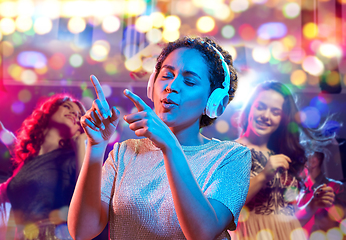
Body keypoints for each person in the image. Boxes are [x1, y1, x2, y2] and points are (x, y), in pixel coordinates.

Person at [68, 36, 252, 240]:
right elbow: (82, 231)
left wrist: (170, 146)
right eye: (166, 75)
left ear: (214, 101)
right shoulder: (124, 152)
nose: (172, 86)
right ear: (151, 84)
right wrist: (95, 147)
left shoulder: (231, 157)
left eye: (189, 81)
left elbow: (202, 233)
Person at [233, 81, 335, 240]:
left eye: (275, 112)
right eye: (260, 106)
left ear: (283, 118)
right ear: (250, 108)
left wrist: (313, 205)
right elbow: (226, 207)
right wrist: (263, 176)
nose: (266, 116)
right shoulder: (231, 151)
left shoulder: (283, 155)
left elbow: (288, 220)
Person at [0, 95, 87, 240]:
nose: (74, 114)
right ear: (48, 112)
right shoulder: (28, 161)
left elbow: (89, 203)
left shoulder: (72, 158)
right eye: (67, 107)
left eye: (79, 115)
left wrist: (81, 144)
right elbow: (17, 148)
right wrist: (1, 131)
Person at [298, 148, 346, 236]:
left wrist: (311, 183)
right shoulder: (299, 192)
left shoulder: (336, 187)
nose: (296, 165)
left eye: (300, 159)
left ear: (313, 162)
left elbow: (343, 220)